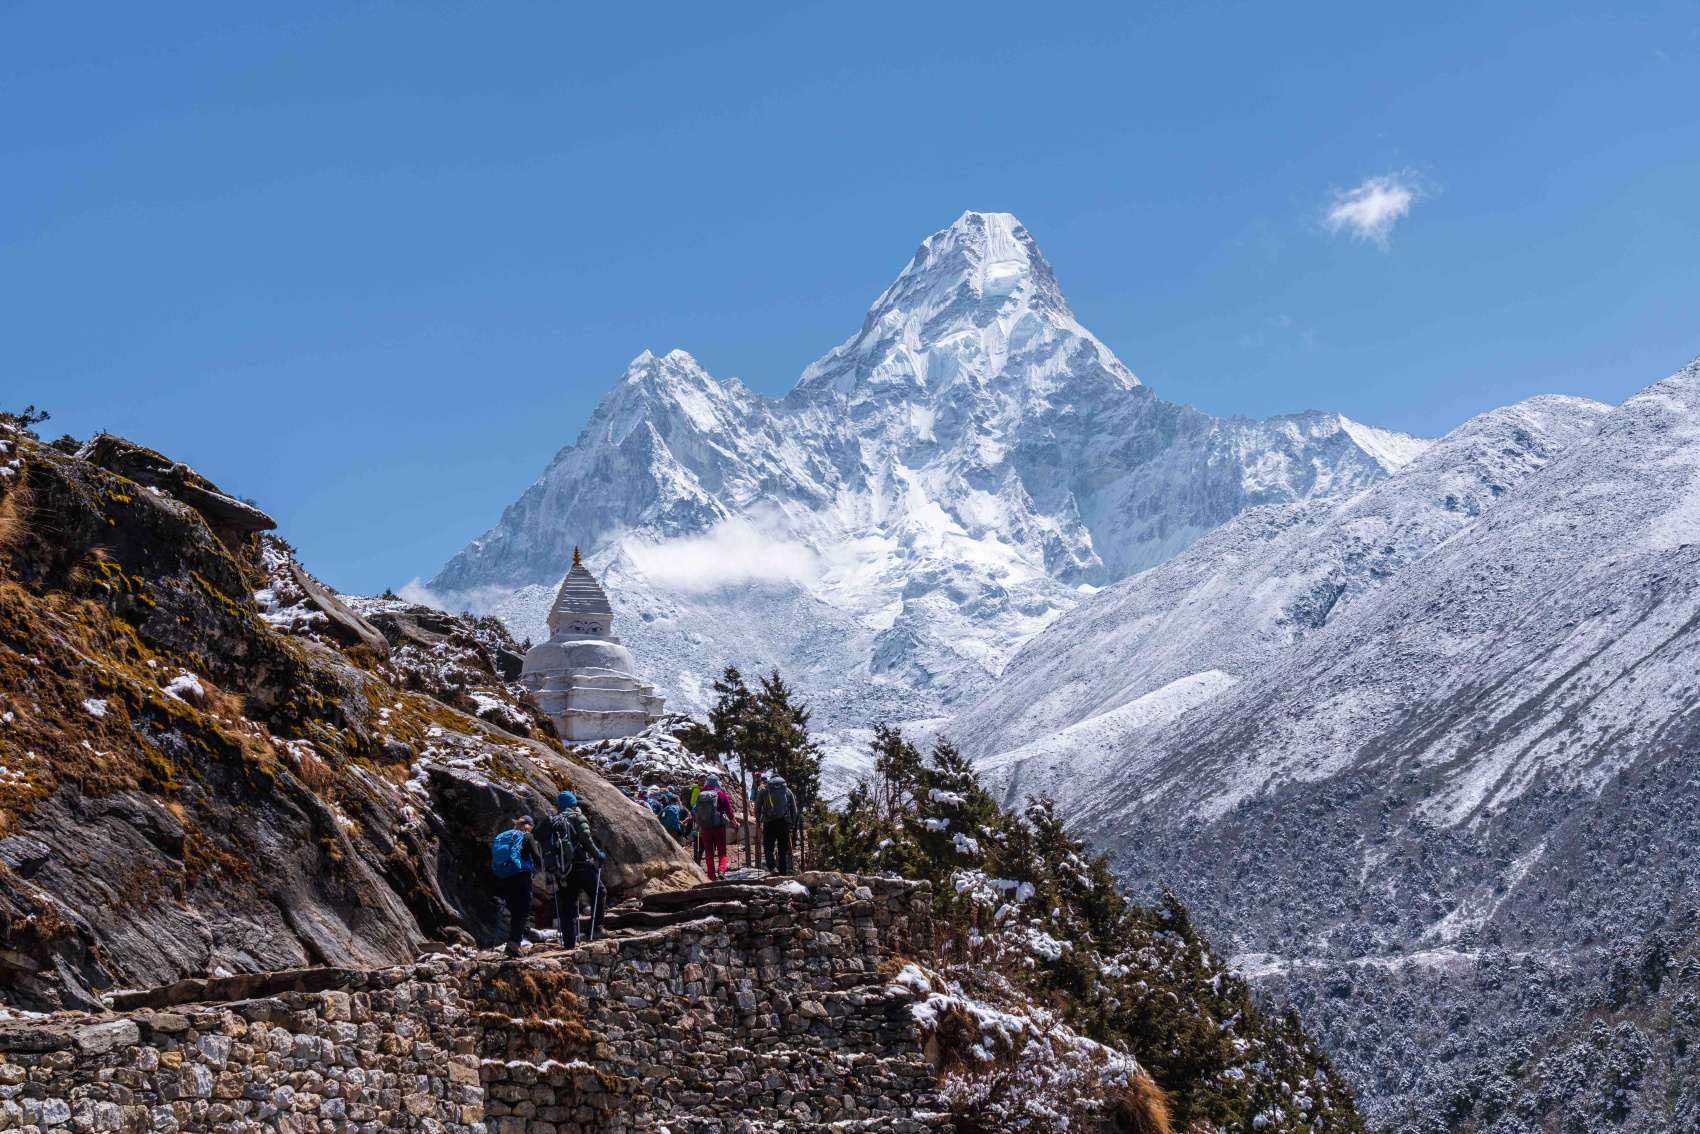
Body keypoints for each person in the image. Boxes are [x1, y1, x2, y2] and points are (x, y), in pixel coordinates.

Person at [542, 791, 607, 948]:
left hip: (563, 869)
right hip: (580, 864)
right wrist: (598, 855)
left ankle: (569, 942)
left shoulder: (553, 821)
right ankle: (597, 928)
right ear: (573, 804)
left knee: (570, 903)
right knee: (599, 891)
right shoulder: (577, 817)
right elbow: (586, 839)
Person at [490, 815, 543, 957]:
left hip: (505, 876)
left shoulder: (504, 836)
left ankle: (513, 943)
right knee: (523, 909)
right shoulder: (527, 836)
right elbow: (537, 857)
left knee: (514, 910)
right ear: (529, 826)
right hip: (521, 876)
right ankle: (514, 943)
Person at [692, 774, 737, 881]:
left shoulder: (701, 795)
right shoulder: (721, 795)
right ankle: (721, 870)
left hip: (705, 828)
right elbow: (729, 813)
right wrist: (735, 823)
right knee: (722, 851)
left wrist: (697, 824)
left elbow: (696, 812)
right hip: (719, 827)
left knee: (709, 852)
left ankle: (711, 876)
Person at [755, 773, 799, 875]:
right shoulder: (786, 791)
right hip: (783, 822)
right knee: (782, 850)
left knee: (768, 848)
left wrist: (758, 821)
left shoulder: (764, 790)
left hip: (768, 822)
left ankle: (772, 868)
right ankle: (783, 872)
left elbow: (757, 807)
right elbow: (794, 810)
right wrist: (791, 825)